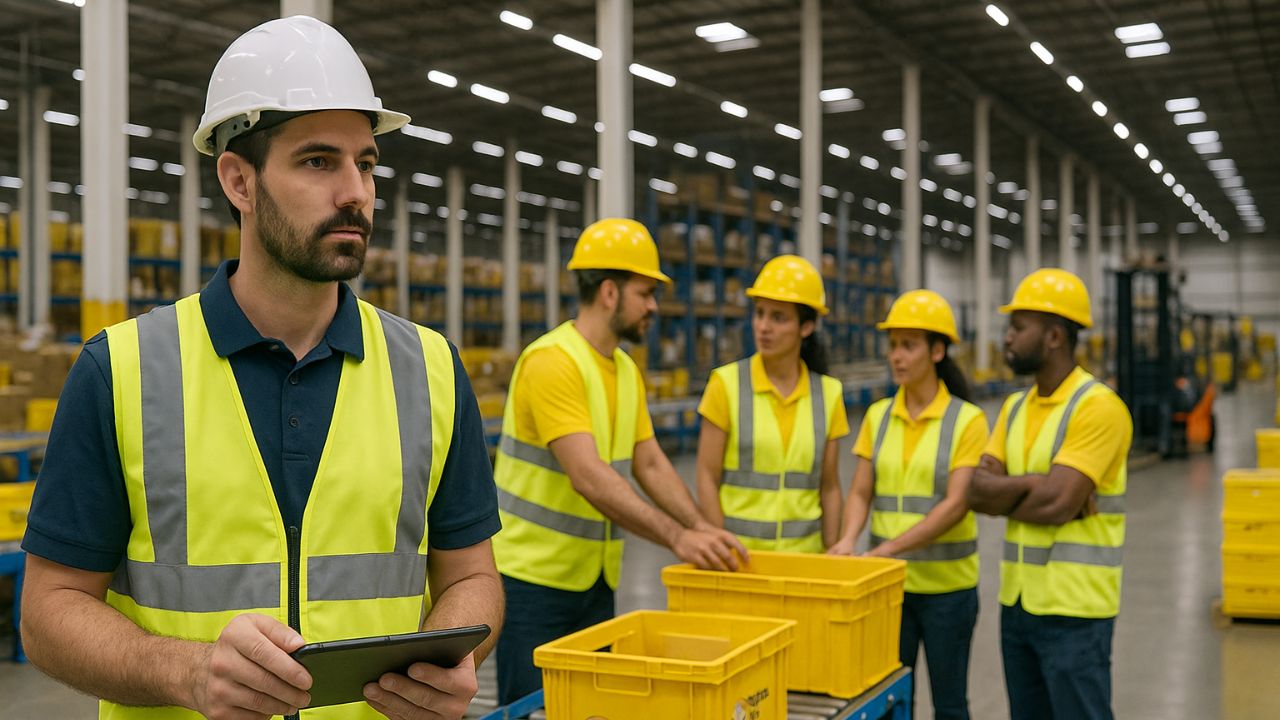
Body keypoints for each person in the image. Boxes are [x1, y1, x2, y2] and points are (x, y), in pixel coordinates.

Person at [20, 16, 501, 720]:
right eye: (317, 162)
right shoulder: (120, 371)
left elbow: (474, 577)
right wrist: (188, 673)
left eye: (365, 163)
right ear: (239, 181)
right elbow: (48, 612)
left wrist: (446, 660)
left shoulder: (428, 368)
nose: (355, 192)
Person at [490, 218, 748, 704]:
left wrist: (698, 527)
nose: (654, 305)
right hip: (533, 583)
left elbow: (650, 463)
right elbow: (587, 475)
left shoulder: (625, 369)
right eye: (645, 292)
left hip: (596, 580)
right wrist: (677, 537)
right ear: (609, 292)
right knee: (530, 711)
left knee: (591, 710)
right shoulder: (553, 362)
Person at [968, 268, 1131, 720]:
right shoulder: (1015, 407)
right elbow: (976, 492)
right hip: (1017, 605)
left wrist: (1023, 491)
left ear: (1055, 336)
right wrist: (1034, 484)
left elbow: (1057, 504)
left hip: (1075, 611)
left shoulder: (1098, 408)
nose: (1007, 339)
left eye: (1018, 328)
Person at [829, 289, 988, 720]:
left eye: (908, 345)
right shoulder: (879, 417)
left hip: (947, 592)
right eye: (893, 345)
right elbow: (861, 491)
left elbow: (955, 505)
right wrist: (848, 539)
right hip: (891, 592)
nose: (896, 356)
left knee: (949, 705)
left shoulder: (966, 421)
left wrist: (884, 551)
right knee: (892, 701)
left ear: (937, 351)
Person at [694, 255, 848, 552]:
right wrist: (722, 546)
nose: (763, 327)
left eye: (778, 318)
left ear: (806, 327)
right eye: (760, 313)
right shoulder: (725, 384)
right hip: (743, 560)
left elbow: (829, 487)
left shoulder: (829, 395)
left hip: (805, 563)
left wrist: (833, 554)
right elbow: (706, 477)